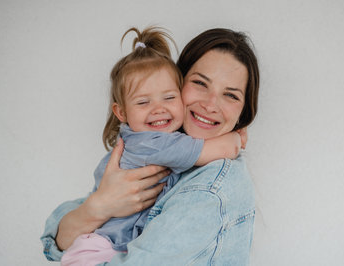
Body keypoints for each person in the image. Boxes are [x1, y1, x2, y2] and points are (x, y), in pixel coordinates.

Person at [41, 27, 260, 265]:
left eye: (231, 95)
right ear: (179, 83)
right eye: (200, 83)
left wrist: (93, 211)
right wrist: (98, 206)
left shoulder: (213, 184)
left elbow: (62, 237)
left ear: (243, 112)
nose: (210, 104)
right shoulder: (154, 148)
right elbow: (55, 237)